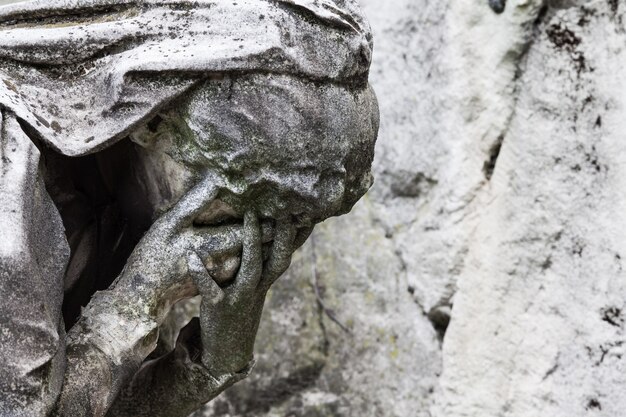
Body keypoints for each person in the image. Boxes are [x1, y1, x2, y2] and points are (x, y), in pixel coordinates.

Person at [0, 1, 378, 416]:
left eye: (294, 225)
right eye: (242, 204)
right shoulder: (9, 190)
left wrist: (208, 365)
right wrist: (138, 297)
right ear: (150, 122)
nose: (246, 237)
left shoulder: (137, 190)